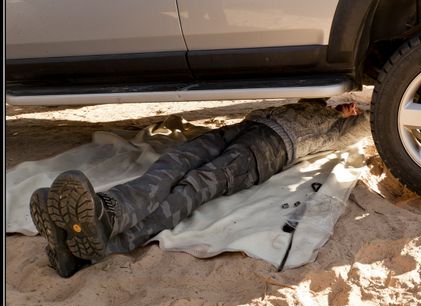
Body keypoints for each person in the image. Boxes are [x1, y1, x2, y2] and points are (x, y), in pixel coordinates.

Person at [30, 99, 370, 278]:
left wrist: (353, 115)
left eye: (350, 108)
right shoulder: (310, 105)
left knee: (193, 187)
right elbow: (314, 93)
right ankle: (105, 214)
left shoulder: (339, 130)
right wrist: (329, 106)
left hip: (268, 149)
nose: (345, 107)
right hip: (242, 128)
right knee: (172, 163)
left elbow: (369, 123)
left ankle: (96, 244)